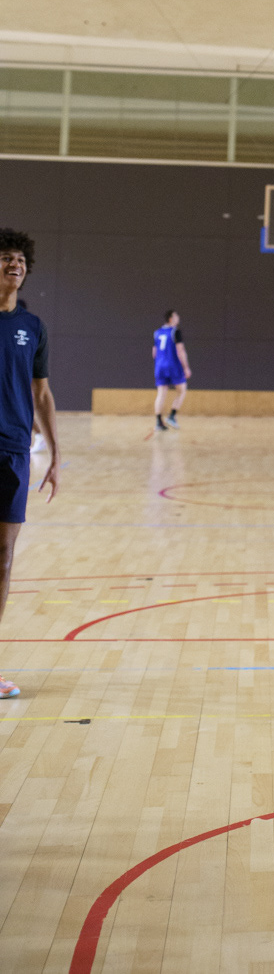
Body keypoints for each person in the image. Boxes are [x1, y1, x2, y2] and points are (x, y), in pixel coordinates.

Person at [0, 229, 60, 700]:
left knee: (3, 557)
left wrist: (55, 453)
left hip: (14, 452)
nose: (14, 265)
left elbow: (41, 393)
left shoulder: (33, 327)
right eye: (5, 257)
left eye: (20, 259)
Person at [152, 310, 191, 432]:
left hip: (159, 366)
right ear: (170, 319)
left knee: (161, 393)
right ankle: (172, 416)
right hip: (173, 365)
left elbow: (154, 353)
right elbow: (180, 351)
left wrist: (160, 361)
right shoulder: (175, 332)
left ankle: (159, 422)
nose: (178, 317)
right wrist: (186, 367)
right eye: (176, 316)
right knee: (182, 390)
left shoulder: (157, 332)